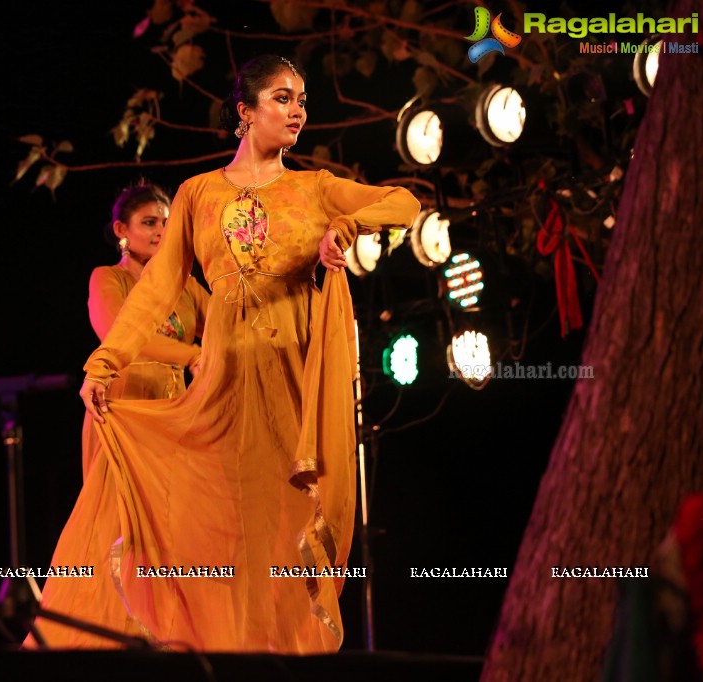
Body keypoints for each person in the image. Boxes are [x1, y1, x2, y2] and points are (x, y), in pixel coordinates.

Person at [25, 54, 420, 653]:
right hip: (222, 390)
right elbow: (156, 290)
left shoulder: (314, 188)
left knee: (283, 532)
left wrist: (341, 229)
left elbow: (402, 203)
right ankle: (217, 655)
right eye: (283, 98)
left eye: (302, 100)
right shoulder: (198, 194)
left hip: (291, 388)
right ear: (245, 111)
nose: (298, 110)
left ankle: (277, 658)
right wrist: (104, 363)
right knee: (216, 533)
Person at [81, 183, 209, 480]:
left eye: (166, 223)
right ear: (121, 229)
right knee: (123, 518)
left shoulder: (185, 285)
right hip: (123, 409)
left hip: (174, 410)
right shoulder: (107, 278)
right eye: (149, 223)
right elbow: (118, 335)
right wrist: (192, 355)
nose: (161, 232)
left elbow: (226, 325)